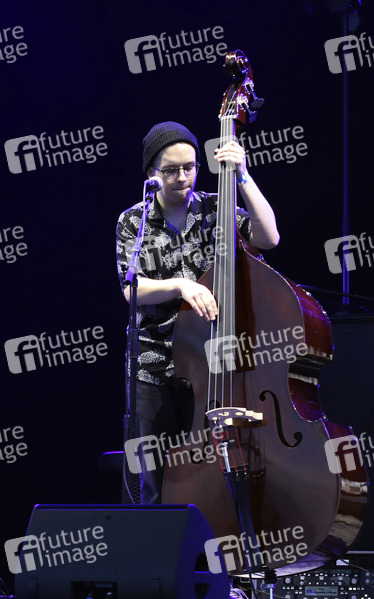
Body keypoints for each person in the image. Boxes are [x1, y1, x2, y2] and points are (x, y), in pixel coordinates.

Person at [115, 121, 279, 504]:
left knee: (208, 477)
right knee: (153, 482)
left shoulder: (216, 207)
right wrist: (180, 285)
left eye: (189, 167)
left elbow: (268, 237)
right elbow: (131, 289)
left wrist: (243, 177)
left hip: (210, 368)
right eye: (171, 170)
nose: (182, 177)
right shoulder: (133, 220)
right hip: (152, 366)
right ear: (152, 174)